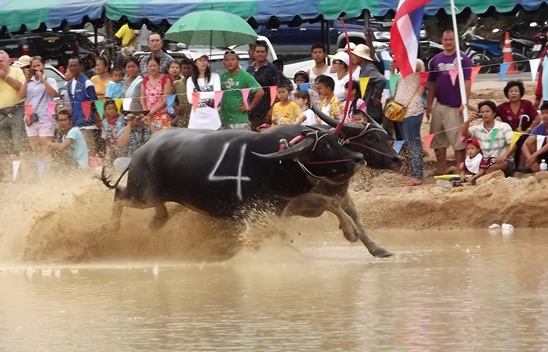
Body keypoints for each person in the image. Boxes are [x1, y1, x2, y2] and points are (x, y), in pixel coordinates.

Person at [427, 29, 473, 175]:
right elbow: (432, 84)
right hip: (439, 104)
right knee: (437, 138)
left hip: (455, 105)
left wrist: (464, 102)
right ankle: (441, 168)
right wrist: (429, 104)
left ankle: (461, 168)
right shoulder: (436, 60)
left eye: (451, 39)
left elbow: (467, 82)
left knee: (458, 139)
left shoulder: (463, 59)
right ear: (442, 40)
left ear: (456, 40)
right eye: (446, 39)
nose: (448, 42)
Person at [392, 59, 425, 186]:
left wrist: (401, 60)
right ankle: (413, 171)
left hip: (412, 110)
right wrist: (393, 70)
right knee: (407, 142)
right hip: (401, 111)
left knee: (413, 142)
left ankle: (417, 175)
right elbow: (392, 85)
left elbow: (415, 66)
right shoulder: (402, 70)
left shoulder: (416, 62)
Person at [461, 100, 515, 177]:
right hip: (485, 163)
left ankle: (477, 179)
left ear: (494, 113)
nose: (485, 114)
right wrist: (467, 122)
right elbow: (464, 134)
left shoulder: (503, 126)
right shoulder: (477, 128)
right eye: (482, 112)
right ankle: (478, 178)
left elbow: (513, 144)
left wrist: (504, 156)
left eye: (487, 111)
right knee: (462, 166)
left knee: (498, 166)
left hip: (503, 161)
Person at [19, 56, 58, 157]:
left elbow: (53, 94)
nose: (36, 68)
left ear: (43, 66)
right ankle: (40, 170)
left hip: (46, 118)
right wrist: (27, 79)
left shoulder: (50, 80)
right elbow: (21, 96)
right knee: (36, 150)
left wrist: (42, 80)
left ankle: (48, 170)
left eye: (38, 65)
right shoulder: (27, 82)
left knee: (46, 149)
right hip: (31, 119)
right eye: (34, 66)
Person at [64, 56, 99, 155]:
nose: (73, 68)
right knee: (78, 152)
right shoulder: (69, 84)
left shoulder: (87, 82)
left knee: (89, 152)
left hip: (87, 124)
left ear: (80, 66)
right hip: (75, 123)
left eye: (75, 65)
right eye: (71, 66)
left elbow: (95, 103)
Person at [220, 51, 264, 130]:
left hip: (239, 120)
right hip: (224, 120)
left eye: (233, 59)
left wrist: (250, 106)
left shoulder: (245, 76)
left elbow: (260, 91)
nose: (230, 62)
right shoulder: (222, 77)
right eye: (227, 60)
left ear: (238, 61)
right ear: (224, 62)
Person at [0, 51, 26, 181]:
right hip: (0, 114)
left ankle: (23, 175)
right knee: (2, 149)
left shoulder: (16, 71)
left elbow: (21, 87)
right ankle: (6, 177)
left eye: (0, 62)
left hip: (16, 111)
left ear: (8, 61)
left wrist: (4, 77)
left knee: (19, 146)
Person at [246, 40, 279, 130]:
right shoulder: (249, 69)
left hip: (265, 111)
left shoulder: (271, 68)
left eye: (262, 52)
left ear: (267, 53)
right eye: (257, 52)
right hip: (251, 110)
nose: (260, 54)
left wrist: (272, 109)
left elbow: (276, 90)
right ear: (254, 53)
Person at [351, 44, 387, 124]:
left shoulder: (369, 68)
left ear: (361, 57)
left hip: (372, 113)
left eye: (355, 55)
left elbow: (382, 79)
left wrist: (376, 95)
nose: (352, 57)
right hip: (368, 113)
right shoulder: (363, 69)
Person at [114, 108, 158, 172]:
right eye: (134, 114)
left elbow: (160, 138)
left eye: (139, 114)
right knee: (118, 162)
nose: (137, 117)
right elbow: (121, 145)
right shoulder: (123, 131)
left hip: (149, 161)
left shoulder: (150, 126)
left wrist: (150, 125)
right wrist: (129, 124)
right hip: (133, 162)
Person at [186, 53, 221, 130]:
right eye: (200, 60)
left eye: (205, 60)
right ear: (195, 62)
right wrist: (209, 95)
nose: (203, 62)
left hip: (212, 119)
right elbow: (191, 100)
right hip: (196, 119)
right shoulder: (190, 80)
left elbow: (218, 95)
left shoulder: (215, 77)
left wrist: (198, 95)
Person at [140, 56, 172, 130]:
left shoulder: (165, 79)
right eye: (150, 66)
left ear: (159, 65)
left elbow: (166, 100)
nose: (152, 68)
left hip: (161, 114)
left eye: (154, 65)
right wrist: (145, 112)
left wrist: (152, 112)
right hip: (147, 116)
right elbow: (142, 98)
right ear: (147, 67)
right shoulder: (145, 80)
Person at [521, 102, 548, 173]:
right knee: (531, 139)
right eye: (543, 113)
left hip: (541, 153)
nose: (545, 116)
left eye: (547, 113)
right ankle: (533, 166)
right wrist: (530, 158)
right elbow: (524, 145)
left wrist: (534, 155)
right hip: (541, 156)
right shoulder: (539, 128)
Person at [172, 58, 193, 128]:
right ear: (181, 70)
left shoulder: (198, 83)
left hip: (196, 118)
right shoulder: (176, 84)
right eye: (185, 68)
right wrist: (175, 107)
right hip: (182, 119)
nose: (187, 70)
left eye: (189, 68)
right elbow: (169, 98)